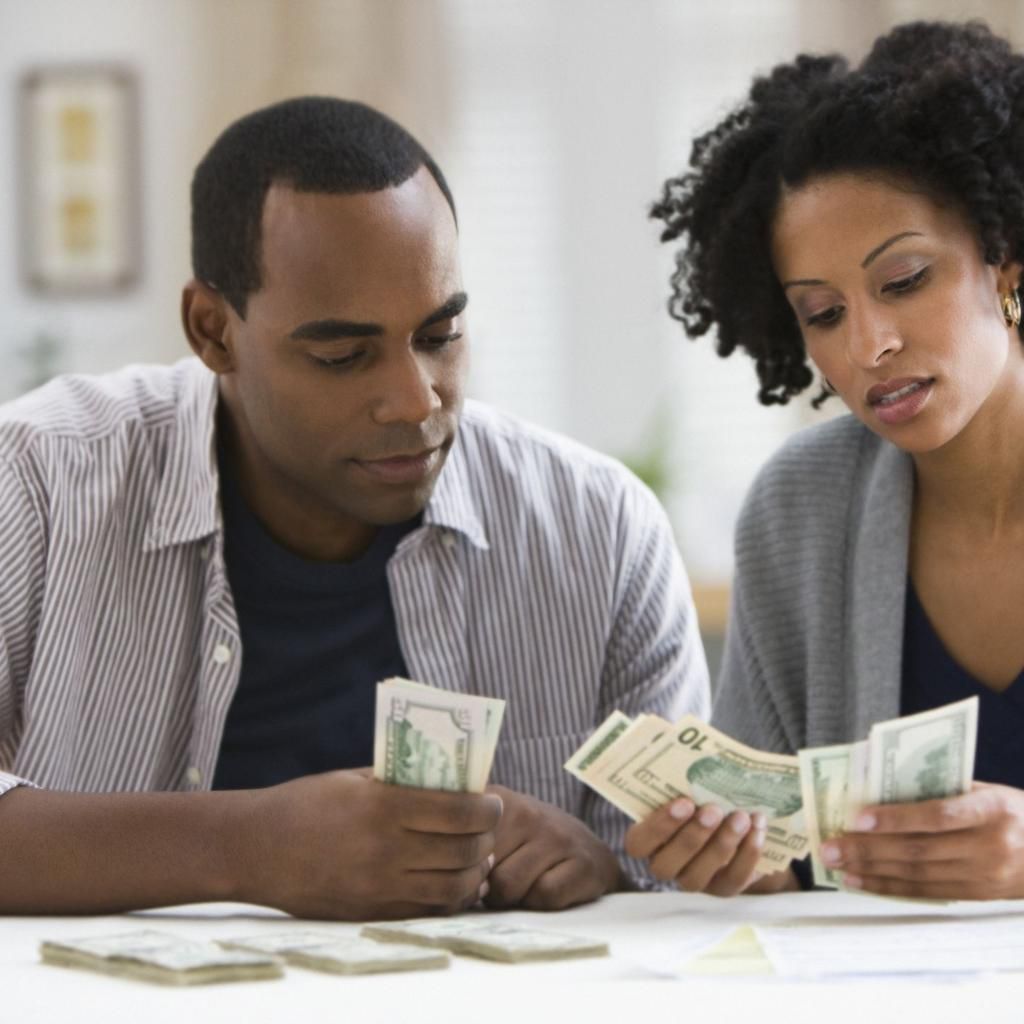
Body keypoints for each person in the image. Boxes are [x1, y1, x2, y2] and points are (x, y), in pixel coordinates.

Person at [0, 98, 709, 918]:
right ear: (212, 331)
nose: (415, 402)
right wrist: (246, 846)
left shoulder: (602, 530)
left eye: (440, 335)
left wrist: (595, 870)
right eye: (344, 355)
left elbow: (681, 902)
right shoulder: (37, 483)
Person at [625, 19, 1024, 901]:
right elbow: (783, 874)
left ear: (1002, 257)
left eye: (905, 280)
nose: (869, 346)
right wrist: (735, 863)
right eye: (822, 312)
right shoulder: (802, 508)